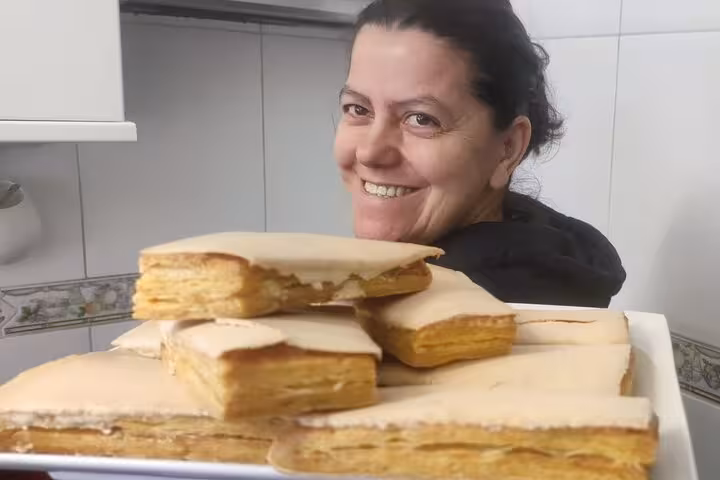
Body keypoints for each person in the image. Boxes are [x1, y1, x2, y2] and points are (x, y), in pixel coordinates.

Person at [335, 0, 626, 308]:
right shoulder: (546, 258)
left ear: (507, 149)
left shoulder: (454, 319)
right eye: (358, 109)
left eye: (422, 119)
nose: (370, 152)